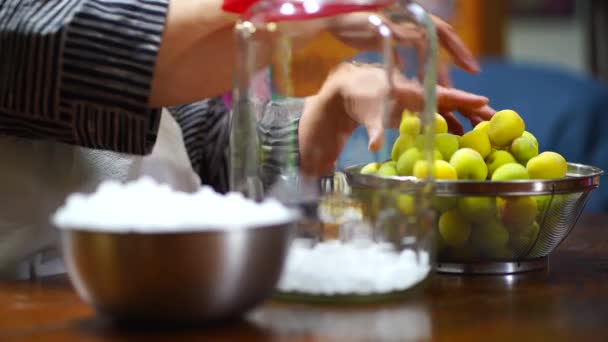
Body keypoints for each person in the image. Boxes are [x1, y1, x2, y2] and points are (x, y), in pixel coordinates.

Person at [0, 0, 492, 279]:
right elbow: (60, 44)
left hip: (193, 291)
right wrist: (295, 10)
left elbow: (202, 146)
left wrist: (325, 111)